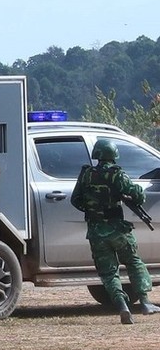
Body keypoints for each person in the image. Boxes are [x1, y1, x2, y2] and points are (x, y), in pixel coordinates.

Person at [70, 138, 160, 324]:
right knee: (134, 262)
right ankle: (144, 302)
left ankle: (122, 306)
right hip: (117, 229)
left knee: (109, 272)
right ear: (113, 155)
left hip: (95, 231)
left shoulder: (86, 174)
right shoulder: (117, 174)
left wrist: (93, 209)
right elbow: (137, 195)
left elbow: (76, 200)